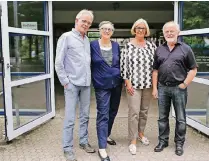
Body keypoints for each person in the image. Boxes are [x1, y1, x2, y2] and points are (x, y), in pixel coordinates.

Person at [55, 9, 95, 161]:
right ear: (76, 21)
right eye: (84, 21)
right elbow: (58, 62)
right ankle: (67, 148)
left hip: (85, 84)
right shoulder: (66, 37)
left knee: (85, 115)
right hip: (72, 84)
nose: (86, 24)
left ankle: (83, 142)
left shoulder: (86, 39)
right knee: (70, 118)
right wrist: (65, 81)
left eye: (89, 23)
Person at [152, 21, 198, 156]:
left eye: (172, 31)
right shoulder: (159, 49)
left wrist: (184, 84)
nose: (169, 33)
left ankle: (179, 143)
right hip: (162, 88)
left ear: (178, 33)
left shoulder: (186, 49)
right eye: (167, 31)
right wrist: (155, 89)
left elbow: (193, 69)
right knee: (162, 117)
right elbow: (155, 70)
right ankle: (163, 141)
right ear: (164, 34)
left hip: (179, 89)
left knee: (181, 118)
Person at [120, 18, 156, 155]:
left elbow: (155, 67)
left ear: (146, 30)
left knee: (144, 111)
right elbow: (124, 67)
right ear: (134, 30)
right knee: (134, 112)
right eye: (138, 28)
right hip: (133, 85)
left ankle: (141, 134)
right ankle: (132, 140)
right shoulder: (127, 46)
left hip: (147, 84)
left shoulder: (152, 46)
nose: (140, 30)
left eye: (143, 28)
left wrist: (154, 86)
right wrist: (127, 83)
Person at [90, 21, 122, 161]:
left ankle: (106, 134)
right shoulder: (92, 45)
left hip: (116, 83)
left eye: (110, 29)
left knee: (113, 111)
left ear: (112, 32)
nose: (107, 31)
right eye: (104, 29)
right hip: (101, 85)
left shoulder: (116, 45)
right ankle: (102, 147)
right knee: (103, 114)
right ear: (99, 30)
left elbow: (120, 63)